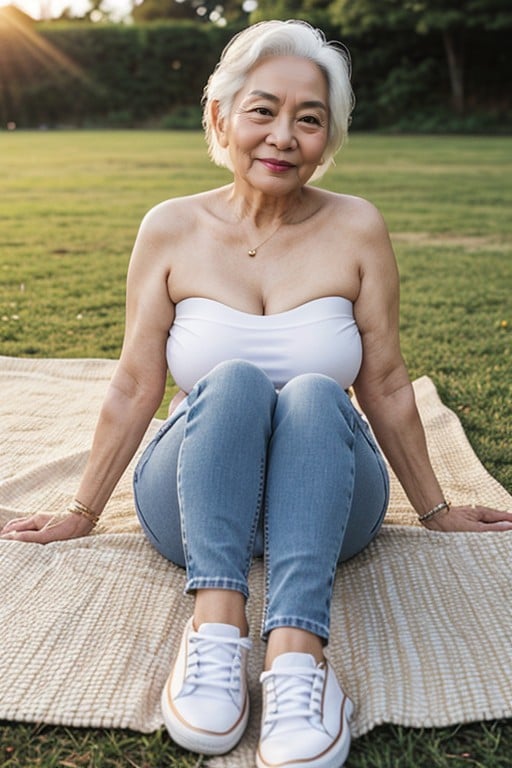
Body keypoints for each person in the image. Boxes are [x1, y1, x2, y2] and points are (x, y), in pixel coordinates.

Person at [2, 18, 512, 768]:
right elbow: (137, 382)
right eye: (264, 110)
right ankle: (213, 632)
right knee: (234, 380)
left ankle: (299, 660)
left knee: (313, 392)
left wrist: (435, 510)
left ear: (329, 136)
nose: (283, 135)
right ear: (221, 117)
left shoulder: (358, 227)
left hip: (335, 508)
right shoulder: (170, 227)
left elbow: (388, 383)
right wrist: (82, 510)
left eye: (309, 119)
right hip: (190, 505)